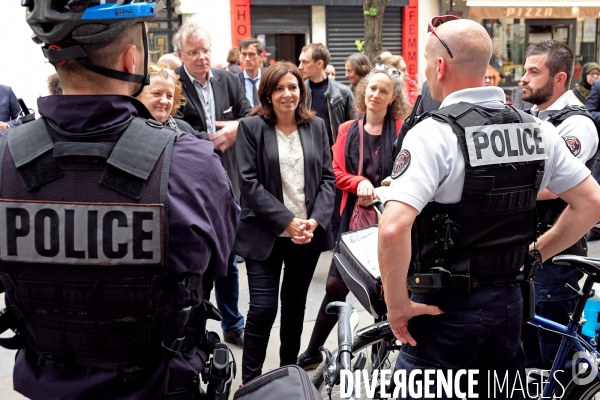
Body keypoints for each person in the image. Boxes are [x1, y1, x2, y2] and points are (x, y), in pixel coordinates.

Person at [0, 1, 239, 398]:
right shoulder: (188, 162)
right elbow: (220, 260)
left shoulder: (6, 159)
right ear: (132, 58)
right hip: (158, 387)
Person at [378, 17, 600, 399]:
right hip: (509, 306)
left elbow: (394, 228)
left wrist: (396, 306)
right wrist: (537, 254)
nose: (426, 73)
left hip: (443, 310)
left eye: (427, 64)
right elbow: (592, 203)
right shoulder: (537, 129)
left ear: (441, 67)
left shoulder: (433, 133)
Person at [297, 64, 410, 370]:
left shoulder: (402, 130)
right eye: (372, 88)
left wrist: (388, 185)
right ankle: (312, 351)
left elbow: (409, 173)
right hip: (352, 222)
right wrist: (358, 182)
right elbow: (335, 171)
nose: (376, 94)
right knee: (335, 285)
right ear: (364, 92)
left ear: (392, 98)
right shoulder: (348, 130)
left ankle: (378, 358)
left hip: (390, 224)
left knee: (382, 293)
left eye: (383, 91)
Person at [234, 61, 336, 383]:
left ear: (301, 92)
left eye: (293, 87)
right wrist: (288, 221)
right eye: (279, 88)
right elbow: (248, 184)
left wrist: (314, 222)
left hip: (306, 237)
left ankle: (287, 376)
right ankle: (250, 381)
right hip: (265, 234)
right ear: (268, 93)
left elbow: (327, 179)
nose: (287, 94)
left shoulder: (316, 126)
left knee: (294, 309)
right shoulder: (251, 128)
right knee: (262, 309)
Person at [519, 40, 600, 376]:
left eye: (533, 72)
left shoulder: (577, 125)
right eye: (524, 70)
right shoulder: (531, 116)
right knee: (527, 355)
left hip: (556, 255)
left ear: (559, 78)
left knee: (556, 359)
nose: (523, 78)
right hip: (526, 250)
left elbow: (552, 187)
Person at [174, 21, 250, 348]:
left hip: (227, 183)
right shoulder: (173, 83)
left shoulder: (230, 80)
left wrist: (236, 128)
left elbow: (252, 117)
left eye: (206, 50)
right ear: (181, 55)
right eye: (194, 52)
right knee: (193, 260)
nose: (202, 57)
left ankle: (233, 323)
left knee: (229, 258)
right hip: (188, 186)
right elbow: (167, 123)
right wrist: (202, 142)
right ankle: (193, 325)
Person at [299, 43, 354, 248]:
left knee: (337, 203)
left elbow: (352, 126)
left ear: (319, 63)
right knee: (310, 199)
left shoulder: (342, 92)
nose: (300, 65)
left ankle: (340, 244)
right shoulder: (299, 92)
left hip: (336, 157)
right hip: (307, 155)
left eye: (305, 61)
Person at [137, 63, 196, 134]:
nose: (164, 101)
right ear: (138, 94)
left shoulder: (185, 129)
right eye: (157, 93)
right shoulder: (127, 132)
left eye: (169, 96)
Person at [237, 37, 265, 109]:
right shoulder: (235, 81)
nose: (247, 59)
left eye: (251, 54)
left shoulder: (268, 78)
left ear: (261, 57)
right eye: (244, 54)